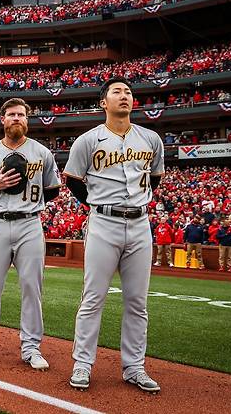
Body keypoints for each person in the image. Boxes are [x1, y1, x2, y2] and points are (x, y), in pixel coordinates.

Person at [64, 77, 164, 392]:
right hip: (103, 223)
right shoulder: (87, 140)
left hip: (139, 224)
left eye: (128, 92)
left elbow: (155, 178)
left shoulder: (151, 139)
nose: (124, 96)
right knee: (93, 298)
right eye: (117, 92)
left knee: (137, 301)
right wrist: (99, 202)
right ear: (103, 103)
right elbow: (73, 180)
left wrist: (133, 203)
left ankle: (134, 367)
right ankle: (82, 365)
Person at [0, 97, 61, 369]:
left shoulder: (42, 152)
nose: (17, 118)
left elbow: (53, 189)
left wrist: (28, 202)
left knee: (32, 288)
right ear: (2, 119)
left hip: (30, 222)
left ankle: (31, 348)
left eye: (21, 115)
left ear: (27, 120)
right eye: (12, 114)